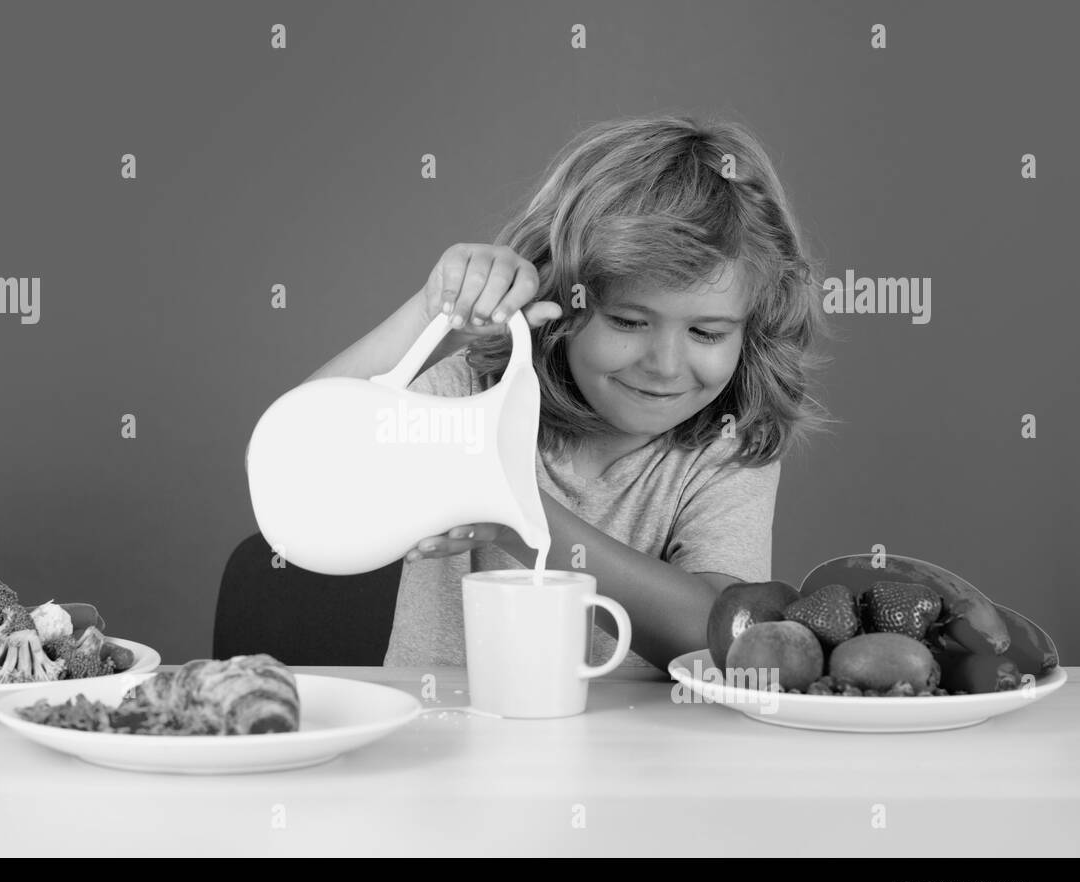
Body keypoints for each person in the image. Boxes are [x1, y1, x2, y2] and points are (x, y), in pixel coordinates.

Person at [306, 113, 836, 670]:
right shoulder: (474, 394)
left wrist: (514, 510)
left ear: (753, 326)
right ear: (565, 299)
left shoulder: (728, 441)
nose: (664, 365)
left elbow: (720, 634)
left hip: (648, 757)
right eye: (629, 322)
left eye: (707, 332)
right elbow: (296, 461)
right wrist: (434, 316)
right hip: (446, 744)